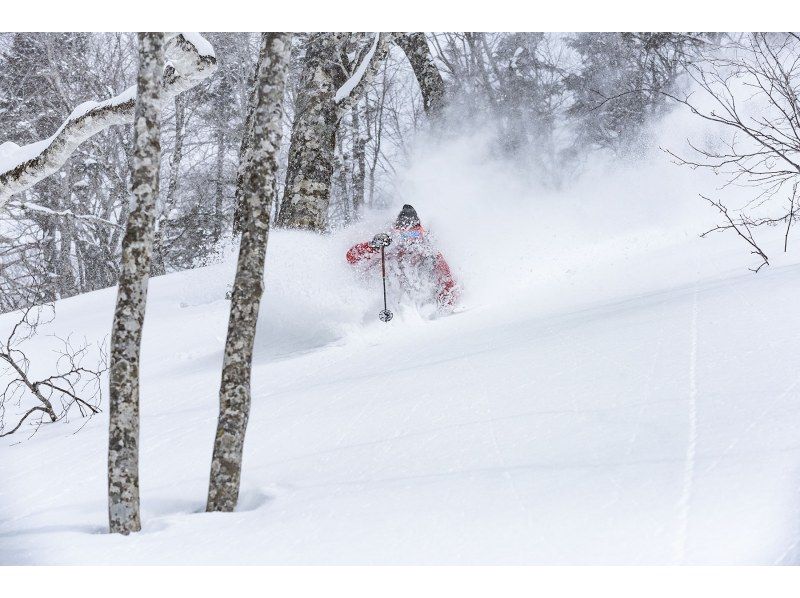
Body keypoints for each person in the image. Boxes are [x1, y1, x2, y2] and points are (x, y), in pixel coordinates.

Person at [346, 204, 458, 309]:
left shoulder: (429, 252)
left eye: (414, 235)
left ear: (420, 233)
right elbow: (351, 258)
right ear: (397, 232)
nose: (409, 243)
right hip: (383, 304)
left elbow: (447, 279)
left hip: (423, 309)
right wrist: (372, 246)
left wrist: (446, 303)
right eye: (404, 235)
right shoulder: (388, 246)